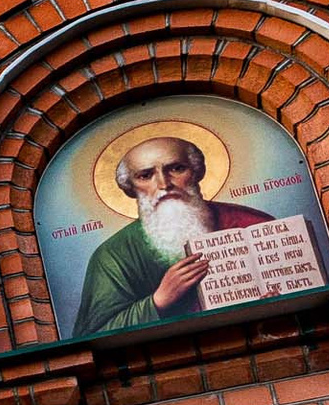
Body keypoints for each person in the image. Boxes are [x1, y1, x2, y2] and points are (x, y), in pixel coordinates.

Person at [73, 134, 270, 336]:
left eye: (176, 169)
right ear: (131, 188)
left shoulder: (251, 223)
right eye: (145, 175)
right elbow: (93, 338)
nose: (164, 184)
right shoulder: (113, 254)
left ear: (196, 172)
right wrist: (159, 300)